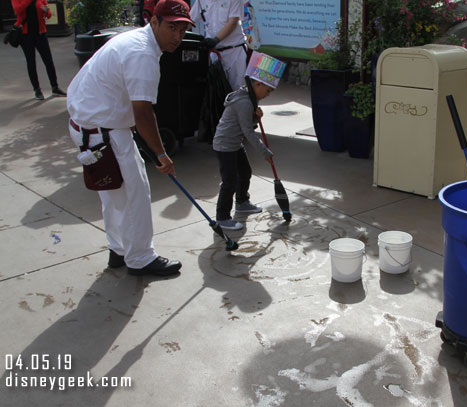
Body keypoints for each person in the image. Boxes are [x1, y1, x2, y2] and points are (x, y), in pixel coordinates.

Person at [66, 0, 194, 276]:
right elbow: (143, 113)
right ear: (155, 21)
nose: (177, 37)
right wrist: (161, 154)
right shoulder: (143, 54)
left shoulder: (135, 40)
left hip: (90, 127)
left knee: (113, 195)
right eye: (172, 27)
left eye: (183, 31)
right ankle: (140, 258)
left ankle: (119, 250)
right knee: (135, 194)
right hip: (103, 131)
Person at [213, 51, 286, 230]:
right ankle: (222, 217)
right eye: (268, 90)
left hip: (234, 143)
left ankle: (242, 202)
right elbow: (248, 132)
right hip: (225, 145)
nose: (268, 94)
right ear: (258, 84)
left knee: (245, 172)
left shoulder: (249, 98)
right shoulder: (245, 102)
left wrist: (256, 117)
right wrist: (264, 151)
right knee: (229, 181)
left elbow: (246, 124)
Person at [10, 0, 66, 100]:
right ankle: (37, 90)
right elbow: (17, 11)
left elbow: (48, 14)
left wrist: (46, 11)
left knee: (48, 61)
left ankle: (55, 87)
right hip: (25, 35)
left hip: (41, 33)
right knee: (31, 62)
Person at [189, 0, 247, 91]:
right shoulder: (201, 1)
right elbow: (190, 20)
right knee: (216, 93)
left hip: (235, 52)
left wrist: (216, 40)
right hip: (215, 54)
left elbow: (233, 22)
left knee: (238, 92)